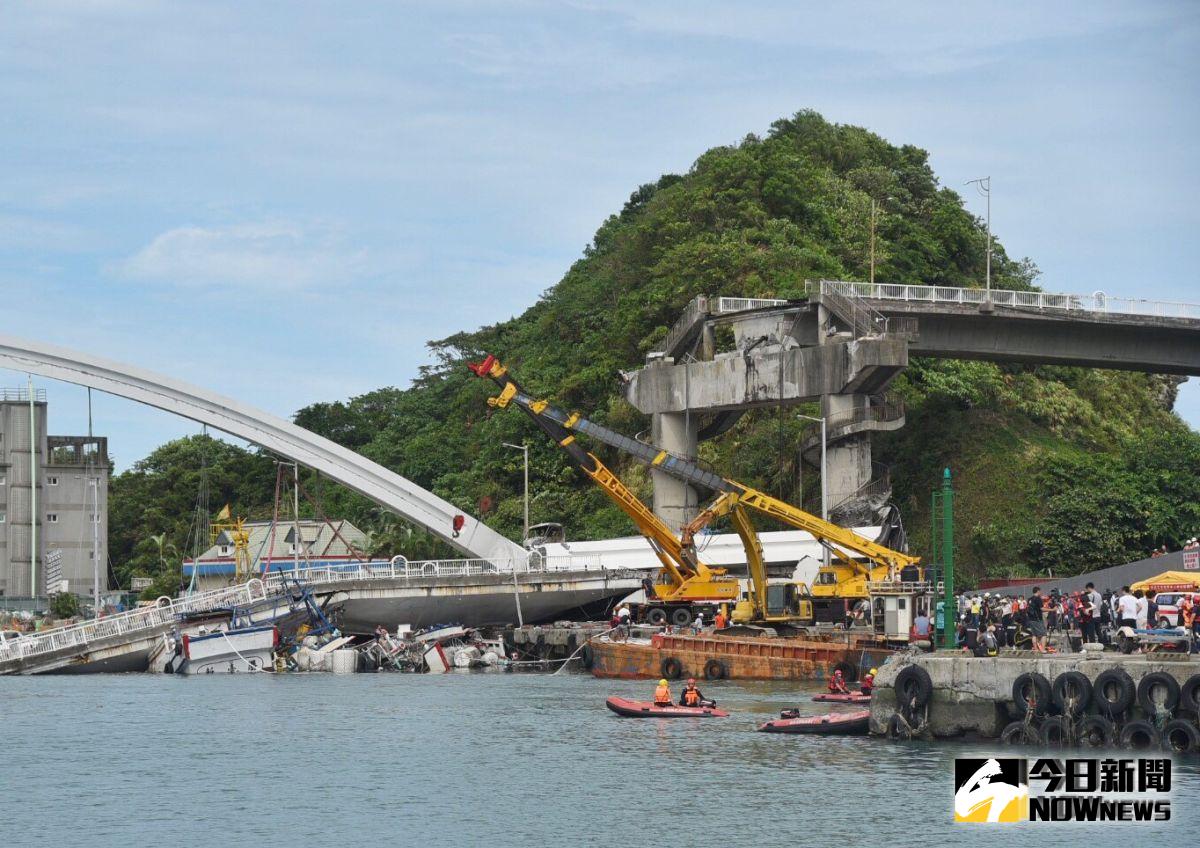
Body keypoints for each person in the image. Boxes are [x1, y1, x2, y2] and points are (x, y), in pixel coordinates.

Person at [1026, 587, 1047, 652]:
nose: (1041, 592)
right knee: (1043, 634)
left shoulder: (1029, 599)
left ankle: (1036, 649)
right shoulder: (1038, 598)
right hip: (1038, 619)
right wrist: (1052, 610)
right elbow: (1042, 609)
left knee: (1034, 634)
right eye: (1040, 591)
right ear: (1038, 591)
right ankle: (1043, 649)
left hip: (1031, 619)